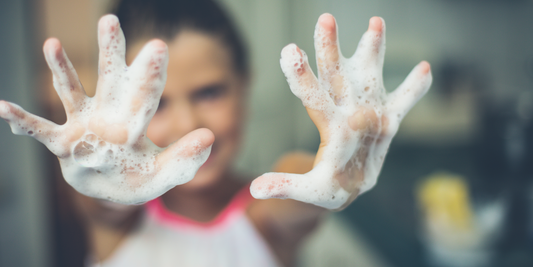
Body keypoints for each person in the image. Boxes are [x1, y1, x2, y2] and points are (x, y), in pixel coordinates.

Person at [0, 0, 432, 266]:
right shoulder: (120, 216)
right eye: (159, 103)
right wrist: (98, 174)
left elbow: (295, 187)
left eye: (209, 92)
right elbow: (99, 205)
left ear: (245, 85)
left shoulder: (264, 215)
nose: (188, 124)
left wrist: (330, 173)